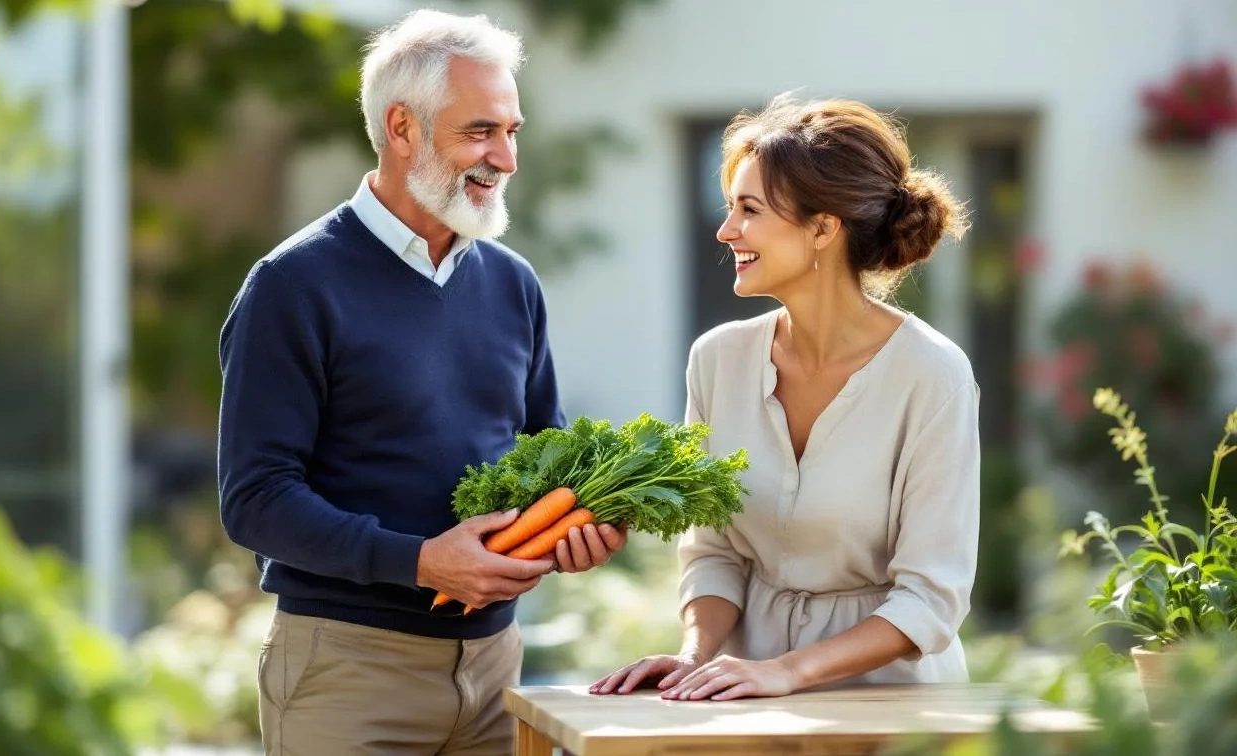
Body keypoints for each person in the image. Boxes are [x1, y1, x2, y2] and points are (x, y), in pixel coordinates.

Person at [216, 10, 626, 754]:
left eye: (512, 131)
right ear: (401, 127)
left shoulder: (513, 284)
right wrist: (419, 562)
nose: (504, 158)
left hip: (498, 665)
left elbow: (548, 451)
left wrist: (584, 526)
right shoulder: (292, 286)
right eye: (480, 132)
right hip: (349, 671)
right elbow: (254, 501)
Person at [591, 95, 979, 702]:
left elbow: (931, 598)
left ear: (823, 228)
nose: (727, 231)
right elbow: (715, 550)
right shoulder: (717, 360)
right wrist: (693, 656)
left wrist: (790, 670)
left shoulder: (934, 375)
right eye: (730, 208)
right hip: (749, 700)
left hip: (893, 704)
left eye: (750, 210)